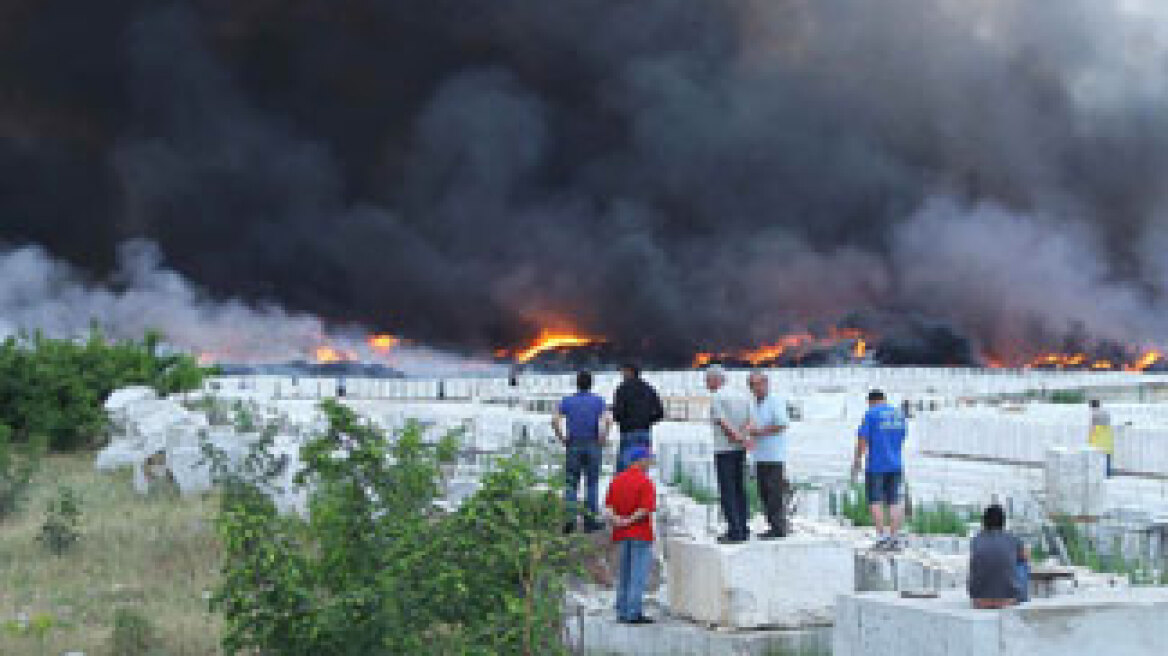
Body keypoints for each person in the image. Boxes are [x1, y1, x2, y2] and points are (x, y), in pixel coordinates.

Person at [553, 371, 611, 534]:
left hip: (573, 444)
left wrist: (562, 438)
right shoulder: (598, 401)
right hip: (592, 444)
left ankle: (570, 521)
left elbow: (554, 420)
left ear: (577, 384)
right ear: (591, 384)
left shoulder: (567, 401)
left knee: (571, 483)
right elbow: (608, 420)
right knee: (592, 484)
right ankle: (590, 521)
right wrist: (603, 437)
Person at [605, 446, 658, 624]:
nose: (650, 463)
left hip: (621, 533)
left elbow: (609, 508)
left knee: (624, 573)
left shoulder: (617, 480)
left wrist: (618, 520)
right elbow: (645, 509)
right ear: (640, 461)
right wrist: (629, 520)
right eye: (648, 459)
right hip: (640, 533)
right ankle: (633, 612)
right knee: (637, 574)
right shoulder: (645, 482)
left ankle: (621, 609)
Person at [852, 390, 907, 550]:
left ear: (870, 401)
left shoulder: (870, 414)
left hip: (876, 465)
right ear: (884, 399)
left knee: (875, 500)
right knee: (893, 501)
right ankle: (894, 536)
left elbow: (863, 439)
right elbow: (902, 438)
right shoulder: (899, 415)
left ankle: (882, 536)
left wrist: (857, 460)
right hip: (896, 464)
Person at [706, 365, 753, 544]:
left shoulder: (718, 397)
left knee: (728, 490)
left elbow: (723, 422)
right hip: (739, 450)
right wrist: (742, 437)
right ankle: (743, 527)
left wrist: (735, 437)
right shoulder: (742, 395)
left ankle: (735, 531)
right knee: (740, 488)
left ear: (716, 380)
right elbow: (751, 420)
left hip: (724, 449)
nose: (706, 384)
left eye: (708, 380)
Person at [744, 371, 791, 539]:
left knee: (774, 493)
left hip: (774, 455)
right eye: (751, 385)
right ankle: (772, 525)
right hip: (760, 455)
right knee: (764, 492)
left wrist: (760, 432)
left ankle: (779, 528)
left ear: (766, 384)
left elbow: (782, 424)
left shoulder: (775, 401)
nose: (754, 388)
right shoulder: (754, 403)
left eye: (757, 384)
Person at [968, 504, 1030, 608]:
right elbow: (1025, 557)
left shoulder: (976, 539)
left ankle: (985, 596)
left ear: (984, 522)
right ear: (1003, 522)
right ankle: (1016, 595)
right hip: (1008, 599)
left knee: (980, 561)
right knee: (1022, 564)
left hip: (979, 599)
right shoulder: (1012, 538)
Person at [611, 363, 664, 473]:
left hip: (628, 432)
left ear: (630, 372)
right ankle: (640, 489)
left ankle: (626, 490)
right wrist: (647, 421)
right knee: (641, 468)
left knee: (625, 471)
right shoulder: (649, 388)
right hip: (644, 432)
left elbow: (617, 414)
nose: (622, 374)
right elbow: (660, 412)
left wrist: (624, 421)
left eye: (623, 371)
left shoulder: (622, 389)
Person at [1088, 399, 1114, 477]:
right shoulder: (1106, 413)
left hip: (1099, 437)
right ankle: (1108, 473)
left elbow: (1094, 428)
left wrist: (1090, 439)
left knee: (1098, 456)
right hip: (1107, 435)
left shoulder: (1095, 415)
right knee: (1107, 455)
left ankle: (1099, 474)